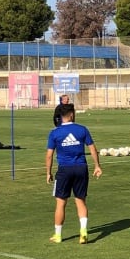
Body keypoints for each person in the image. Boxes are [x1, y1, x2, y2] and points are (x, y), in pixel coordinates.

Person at [45, 103, 102, 244]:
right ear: (71, 115)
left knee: (60, 203)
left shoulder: (55, 132)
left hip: (64, 170)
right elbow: (93, 149)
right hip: (81, 168)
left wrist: (48, 172)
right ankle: (83, 232)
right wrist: (97, 166)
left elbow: (49, 155)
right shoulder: (82, 129)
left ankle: (58, 235)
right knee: (80, 201)